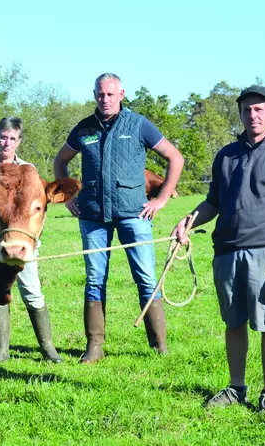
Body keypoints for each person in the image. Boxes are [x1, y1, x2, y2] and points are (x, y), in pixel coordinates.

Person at [171, 85, 265, 413]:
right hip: (226, 253)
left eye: (259, 109)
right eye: (247, 110)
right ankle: (236, 388)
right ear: (241, 115)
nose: (253, 115)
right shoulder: (226, 155)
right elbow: (213, 202)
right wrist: (186, 222)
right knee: (233, 324)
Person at [53, 73, 184, 364]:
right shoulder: (84, 128)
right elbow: (60, 161)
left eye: (111, 94)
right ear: (94, 95)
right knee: (94, 279)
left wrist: (161, 198)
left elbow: (175, 158)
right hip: (93, 216)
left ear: (122, 94)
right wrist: (68, 196)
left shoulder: (139, 124)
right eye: (100, 94)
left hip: (133, 215)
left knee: (147, 278)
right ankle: (94, 347)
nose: (105, 99)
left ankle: (159, 345)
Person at [0, 117, 63, 364]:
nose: (6, 142)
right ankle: (1, 349)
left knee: (31, 290)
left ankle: (47, 347)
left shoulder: (29, 171)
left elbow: (38, 209)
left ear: (19, 141)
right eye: (3, 137)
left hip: (24, 244)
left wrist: (33, 242)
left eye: (12, 138)